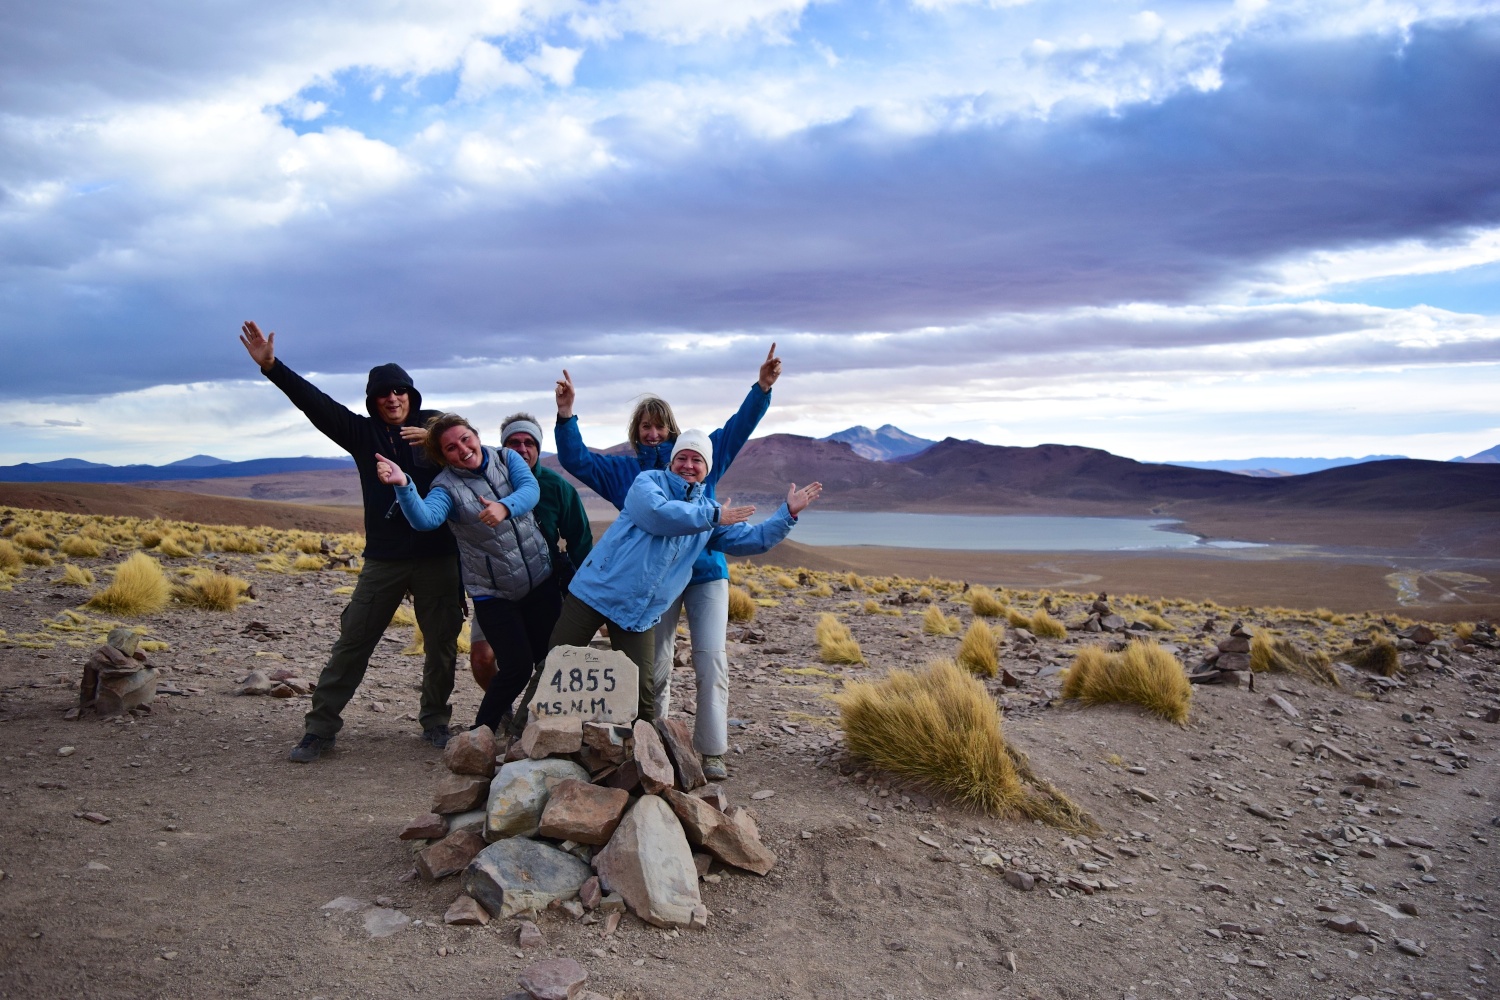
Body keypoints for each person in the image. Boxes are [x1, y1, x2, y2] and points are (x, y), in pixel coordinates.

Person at [238, 320, 464, 762]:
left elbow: (475, 452)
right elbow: (317, 404)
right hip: (385, 559)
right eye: (383, 394)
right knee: (353, 642)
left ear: (411, 395)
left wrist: (436, 438)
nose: (393, 398)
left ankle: (436, 721)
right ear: (373, 401)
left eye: (400, 391)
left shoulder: (436, 428)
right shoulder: (362, 434)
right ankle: (320, 729)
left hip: (438, 557)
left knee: (441, 645)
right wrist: (272, 367)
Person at [554, 345, 780, 778]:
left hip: (706, 572)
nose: (654, 434)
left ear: (672, 431)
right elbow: (576, 459)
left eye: (660, 426)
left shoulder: (697, 458)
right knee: (655, 663)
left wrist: (762, 388)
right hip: (655, 585)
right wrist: (566, 416)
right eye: (646, 427)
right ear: (636, 432)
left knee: (710, 660)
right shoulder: (626, 475)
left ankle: (711, 751)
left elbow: (737, 429)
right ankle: (653, 741)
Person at [515, 430, 822, 749]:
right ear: (672, 461)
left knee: (642, 690)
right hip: (594, 593)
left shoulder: (707, 512)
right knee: (555, 664)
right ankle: (518, 735)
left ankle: (646, 757)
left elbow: (752, 539)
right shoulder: (648, 483)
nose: (688, 465)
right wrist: (714, 515)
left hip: (637, 612)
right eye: (682, 458)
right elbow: (658, 515)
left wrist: (787, 514)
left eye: (697, 460)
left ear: (706, 468)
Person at [375, 414, 557, 734]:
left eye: (465, 439)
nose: (462, 449)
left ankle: (551, 728)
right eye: (451, 448)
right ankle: (481, 735)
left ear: (476, 435)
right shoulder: (446, 487)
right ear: (443, 457)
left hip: (539, 580)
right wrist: (404, 485)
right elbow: (425, 519)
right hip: (494, 592)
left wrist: (504, 506)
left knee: (551, 660)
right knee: (516, 668)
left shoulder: (506, 458)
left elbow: (530, 489)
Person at [467, 414, 593, 698]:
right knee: (482, 659)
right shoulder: (480, 484)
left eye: (529, 443)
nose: (522, 449)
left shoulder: (557, 487)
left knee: (549, 660)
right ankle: (503, 712)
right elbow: (464, 540)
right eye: (514, 443)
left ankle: (541, 714)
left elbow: (580, 540)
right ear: (503, 448)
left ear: (538, 447)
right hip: (494, 588)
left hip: (544, 584)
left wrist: (587, 592)